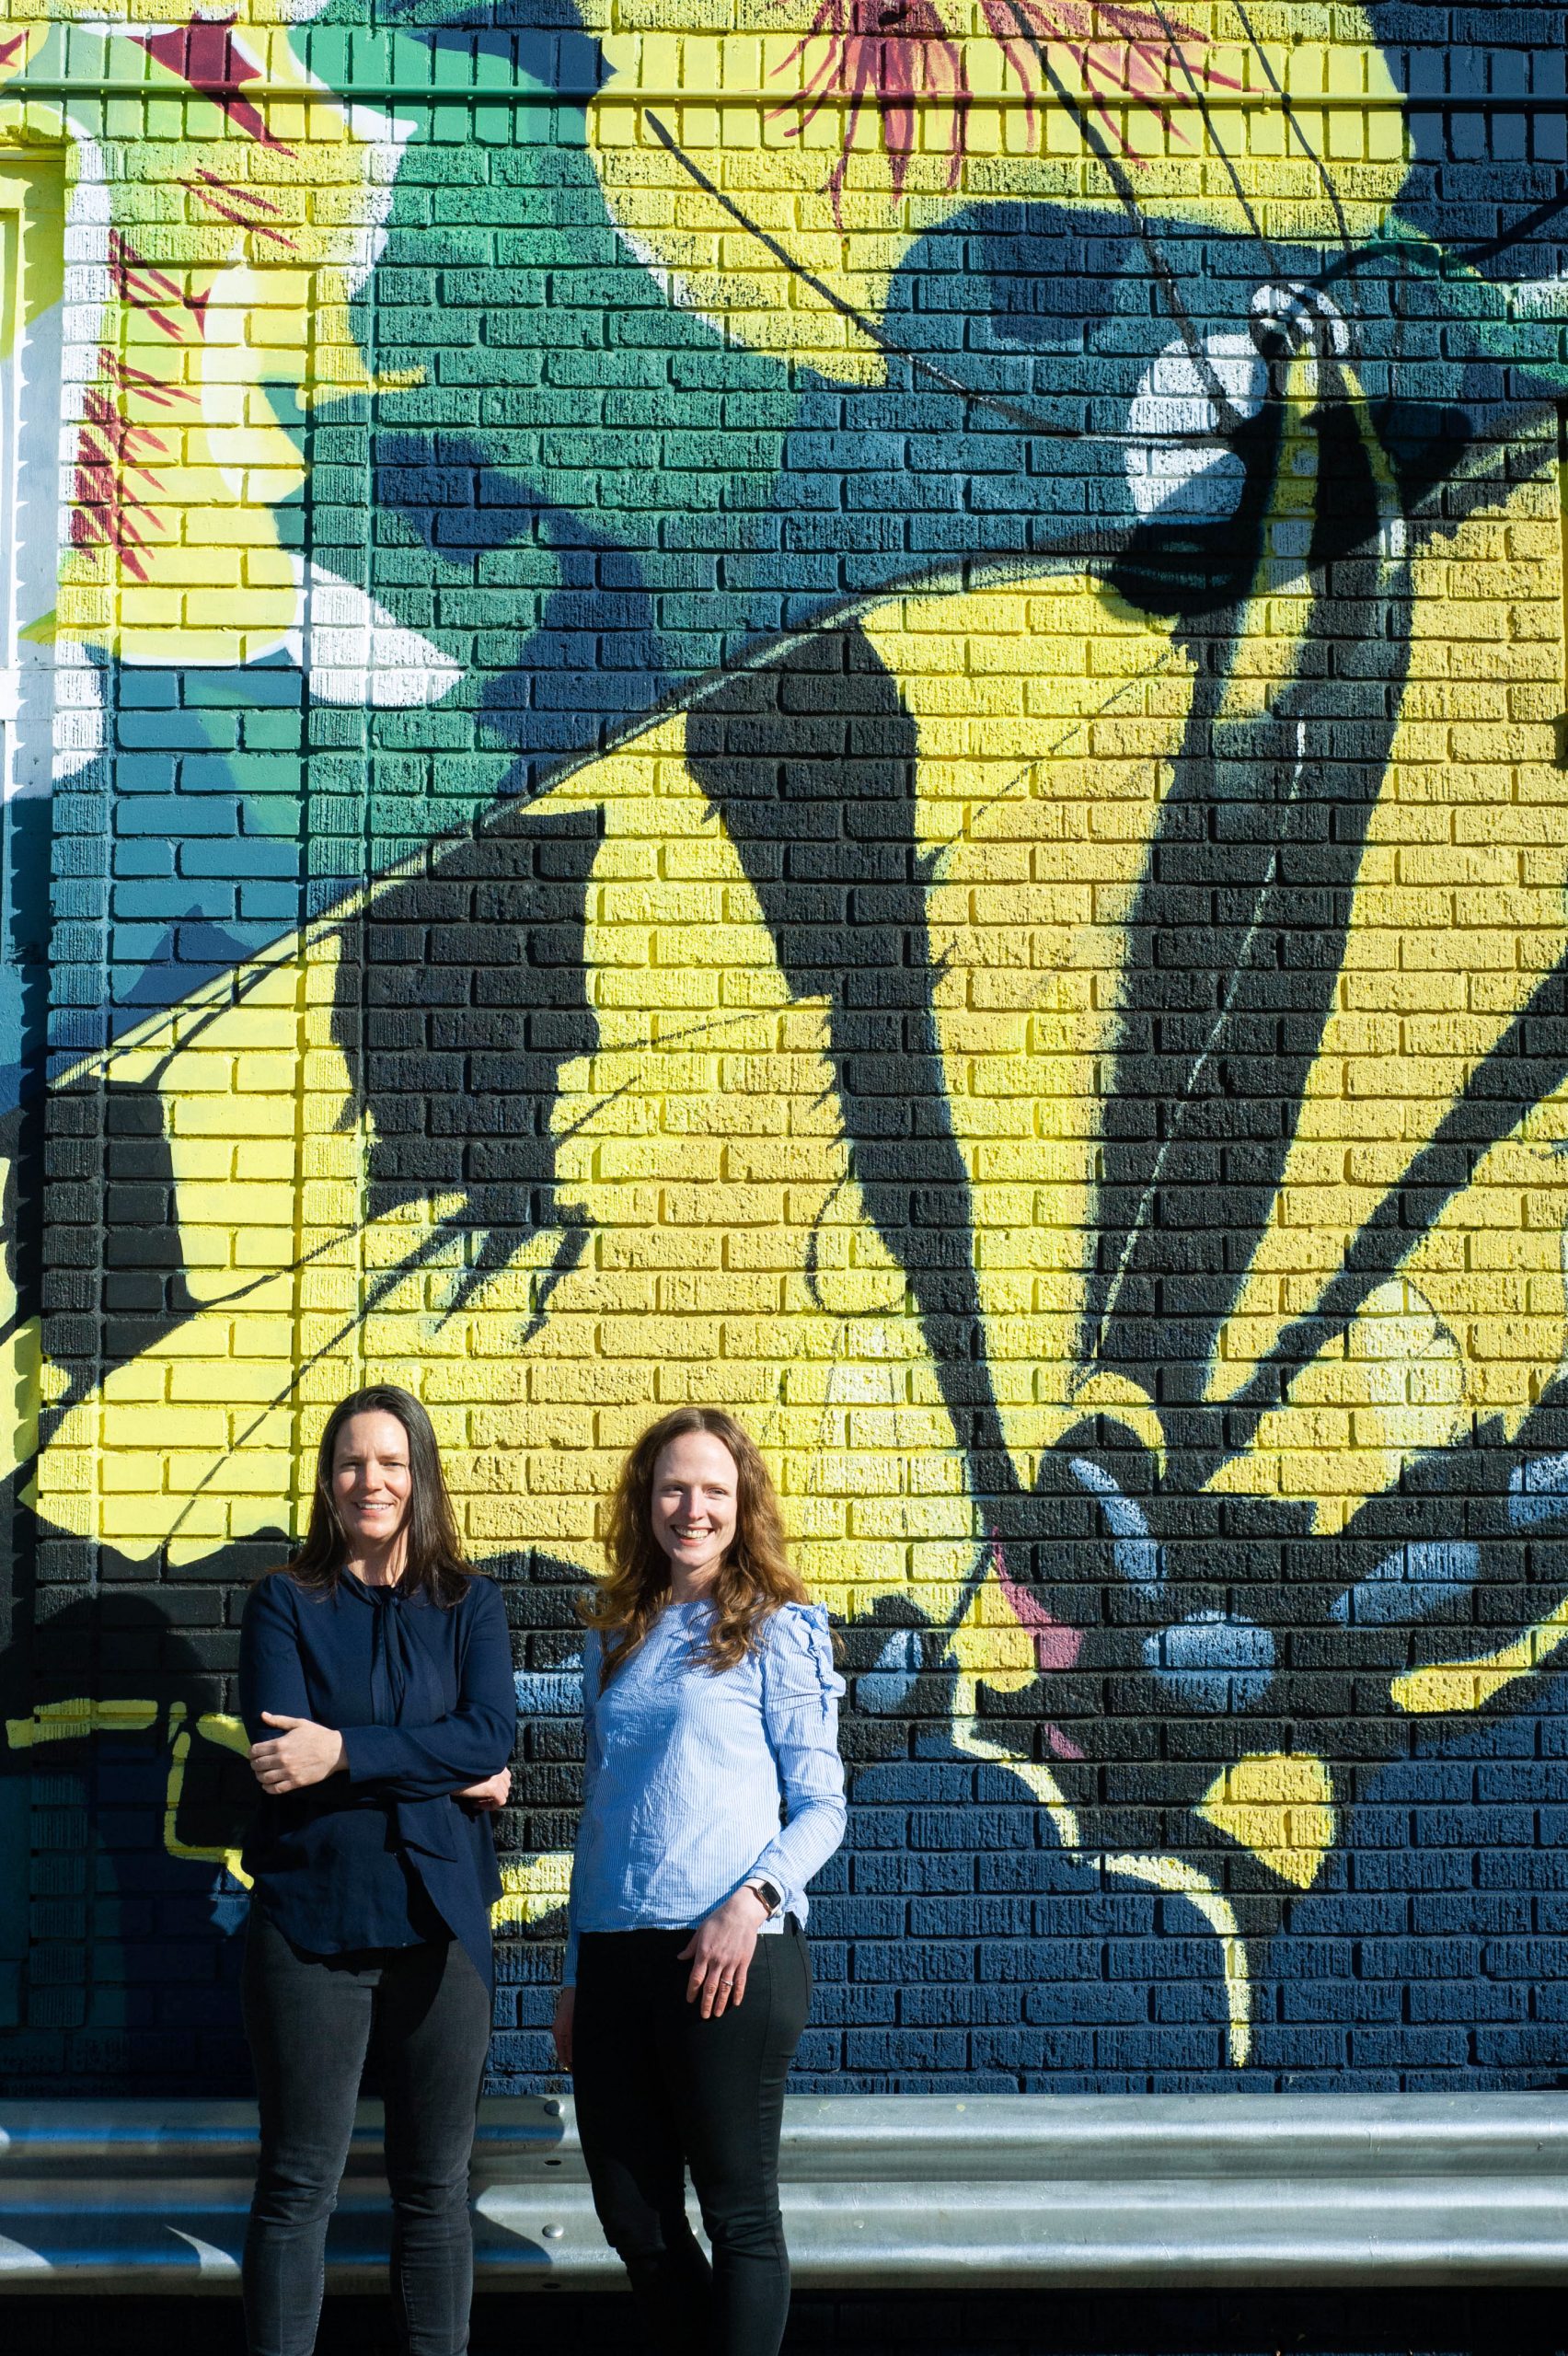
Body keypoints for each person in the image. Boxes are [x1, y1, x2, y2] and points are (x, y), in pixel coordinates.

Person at [553, 1404, 847, 2356]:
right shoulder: (617, 1635)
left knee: (738, 2216)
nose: (694, 1508)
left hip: (730, 1956)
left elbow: (823, 1807)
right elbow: (601, 1814)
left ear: (742, 1503)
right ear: (645, 1502)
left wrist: (751, 1903)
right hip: (615, 1957)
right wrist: (575, 1971)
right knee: (633, 2217)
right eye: (674, 1488)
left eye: (715, 1490)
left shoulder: (776, 1630)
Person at [238, 1383, 515, 2356]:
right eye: (353, 1463)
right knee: (297, 2185)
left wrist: (346, 1751)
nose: (373, 1480)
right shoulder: (284, 1602)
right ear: (328, 1480)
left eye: (392, 1462)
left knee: (435, 2190)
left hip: (443, 1927)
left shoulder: (471, 1605)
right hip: (311, 1927)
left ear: (420, 1475)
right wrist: (443, 1765)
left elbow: (490, 1734)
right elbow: (283, 1758)